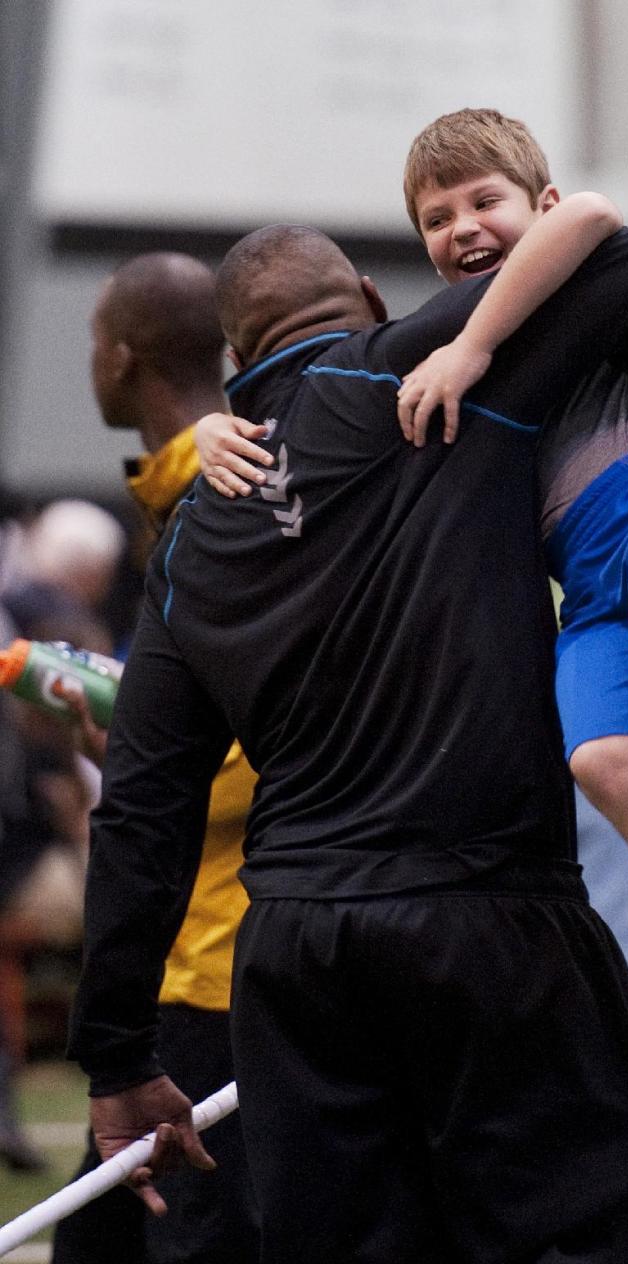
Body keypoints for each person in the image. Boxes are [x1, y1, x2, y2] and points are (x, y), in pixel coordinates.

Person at [63, 217, 628, 1263]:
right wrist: (489, 340)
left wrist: (116, 1058)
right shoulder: (424, 380)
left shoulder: (195, 537)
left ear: (233, 362)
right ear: (367, 291)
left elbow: (139, 811)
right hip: (491, 922)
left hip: (299, 964)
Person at [199, 109, 628, 1108]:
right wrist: (211, 434)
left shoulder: (571, 281)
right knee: (606, 763)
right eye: (436, 219)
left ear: (540, 204)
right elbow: (315, 411)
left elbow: (601, 215)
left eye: (484, 201)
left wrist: (477, 345)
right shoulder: (434, 342)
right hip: (591, 576)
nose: (462, 228)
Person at [51, 253, 259, 1264]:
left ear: (122, 359)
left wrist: (135, 746)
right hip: (208, 953)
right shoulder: (205, 481)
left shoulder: (207, 491)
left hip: (213, 963)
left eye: (95, 341)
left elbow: (261, 736)